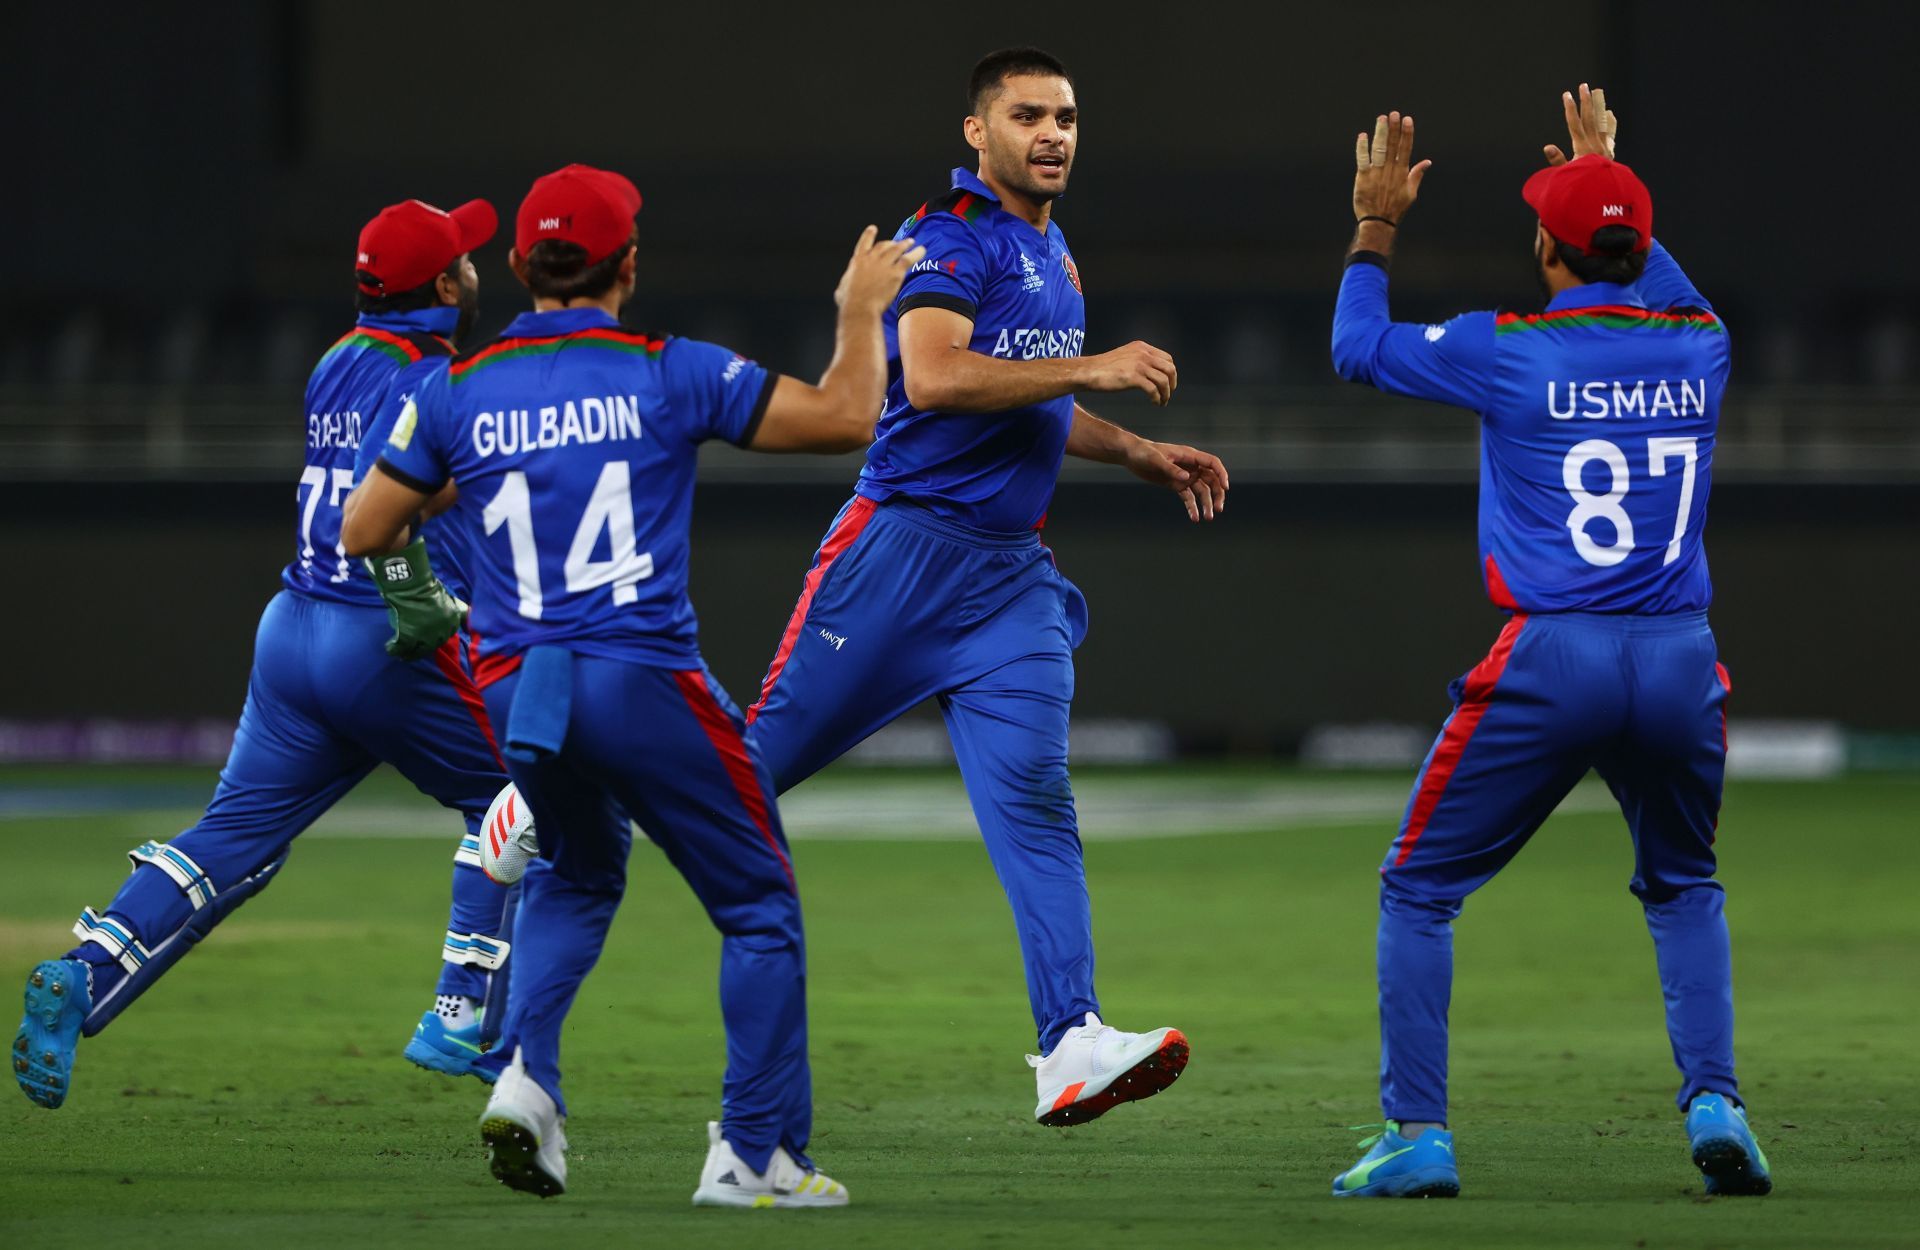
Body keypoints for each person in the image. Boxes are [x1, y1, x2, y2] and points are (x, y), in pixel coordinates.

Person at [342, 163, 924, 1207]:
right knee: (757, 904)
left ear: (520, 267)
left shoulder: (452, 390)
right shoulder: (669, 369)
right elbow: (846, 416)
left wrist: (425, 593)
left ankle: (525, 1078)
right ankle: (751, 1155)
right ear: (630, 264)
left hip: (518, 688)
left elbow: (366, 527)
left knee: (576, 870)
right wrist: (861, 309)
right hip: (640, 672)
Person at [743, 46, 1228, 1129]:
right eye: (1027, 116)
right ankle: (548, 819)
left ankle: (1070, 1039)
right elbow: (937, 376)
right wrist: (1095, 366)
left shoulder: (1051, 252)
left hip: (1007, 580)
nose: (1052, 134)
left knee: (1038, 804)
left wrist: (1139, 451)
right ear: (979, 132)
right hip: (899, 559)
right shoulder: (948, 238)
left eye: (1064, 117)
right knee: (735, 777)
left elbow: (1034, 404)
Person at [1326, 87, 1768, 1199]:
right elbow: (1654, 278)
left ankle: (1418, 1134)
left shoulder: (1506, 349)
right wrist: (1612, 190)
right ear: (1632, 246)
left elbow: (1355, 346)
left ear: (1542, 246)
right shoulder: (1702, 345)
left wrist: (1376, 223)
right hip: (1677, 654)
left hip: (1554, 655)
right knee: (1685, 885)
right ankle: (1718, 1102)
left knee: (1419, 887)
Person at [13, 198, 518, 1111]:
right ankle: (466, 1014)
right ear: (444, 286)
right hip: (382, 635)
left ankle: (85, 971)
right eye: (466, 259)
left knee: (235, 840)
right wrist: (416, 599)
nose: (478, 269)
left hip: (295, 630)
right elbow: (386, 499)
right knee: (529, 804)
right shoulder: (434, 377)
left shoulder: (334, 360)